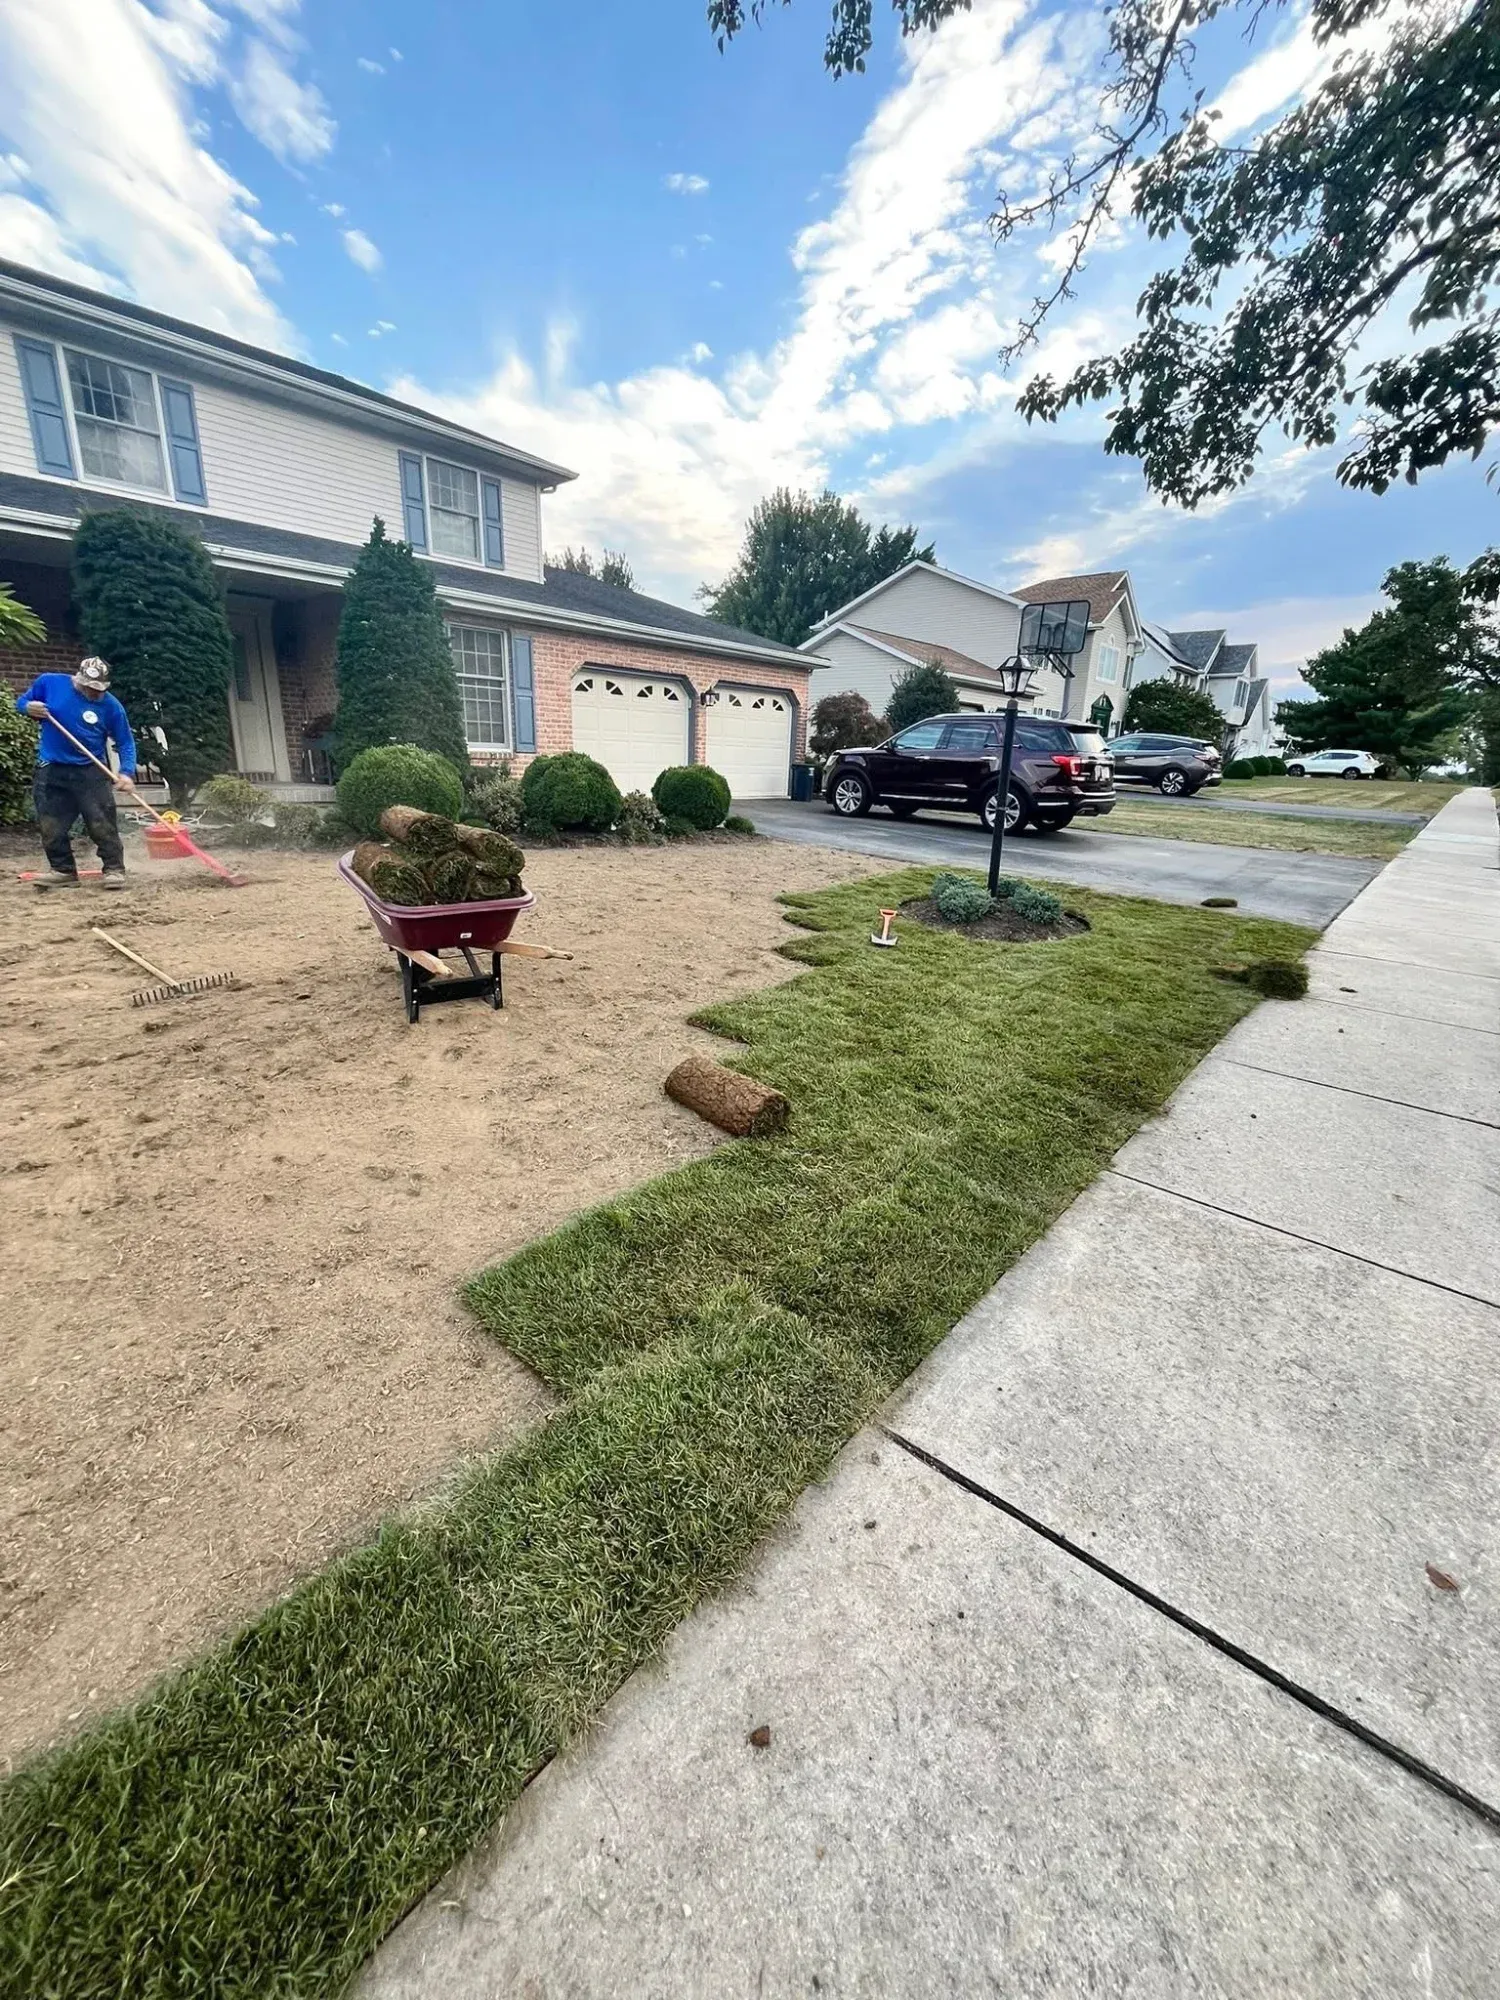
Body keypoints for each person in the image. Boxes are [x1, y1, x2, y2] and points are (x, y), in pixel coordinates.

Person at [17, 657, 138, 890]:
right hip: (52, 768)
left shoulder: (111, 706)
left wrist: (126, 772)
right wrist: (27, 707)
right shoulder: (49, 683)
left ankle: (114, 869)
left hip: (90, 771)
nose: (93, 693)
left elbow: (125, 742)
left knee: (102, 823)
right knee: (51, 825)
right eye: (88, 688)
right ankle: (63, 871)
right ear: (78, 680)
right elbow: (22, 702)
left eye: (98, 689)